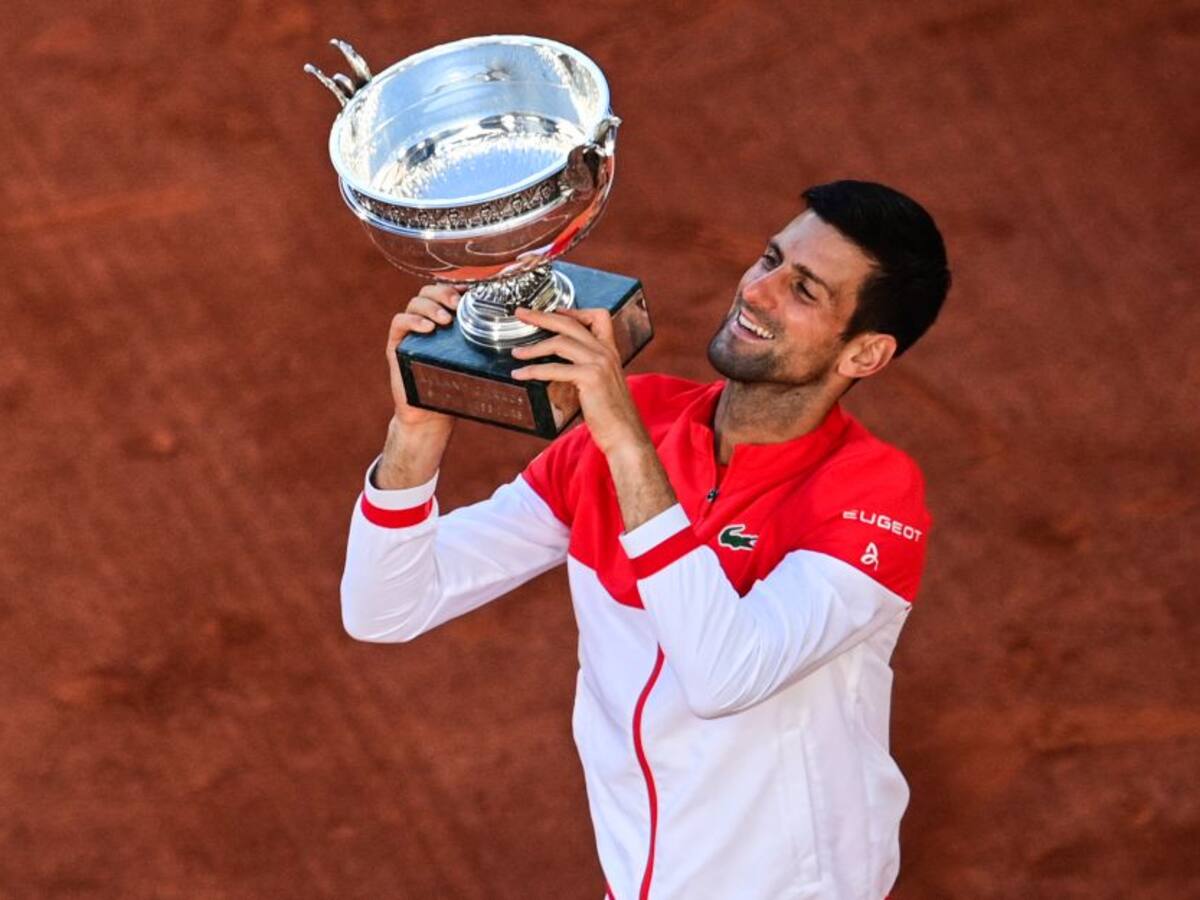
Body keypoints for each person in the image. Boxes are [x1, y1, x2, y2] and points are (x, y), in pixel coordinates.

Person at [340, 180, 951, 899]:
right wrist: (417, 428)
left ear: (865, 355)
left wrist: (626, 441)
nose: (757, 291)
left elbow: (723, 674)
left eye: (805, 290)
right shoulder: (643, 419)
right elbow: (385, 609)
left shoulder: (871, 493)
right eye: (770, 259)